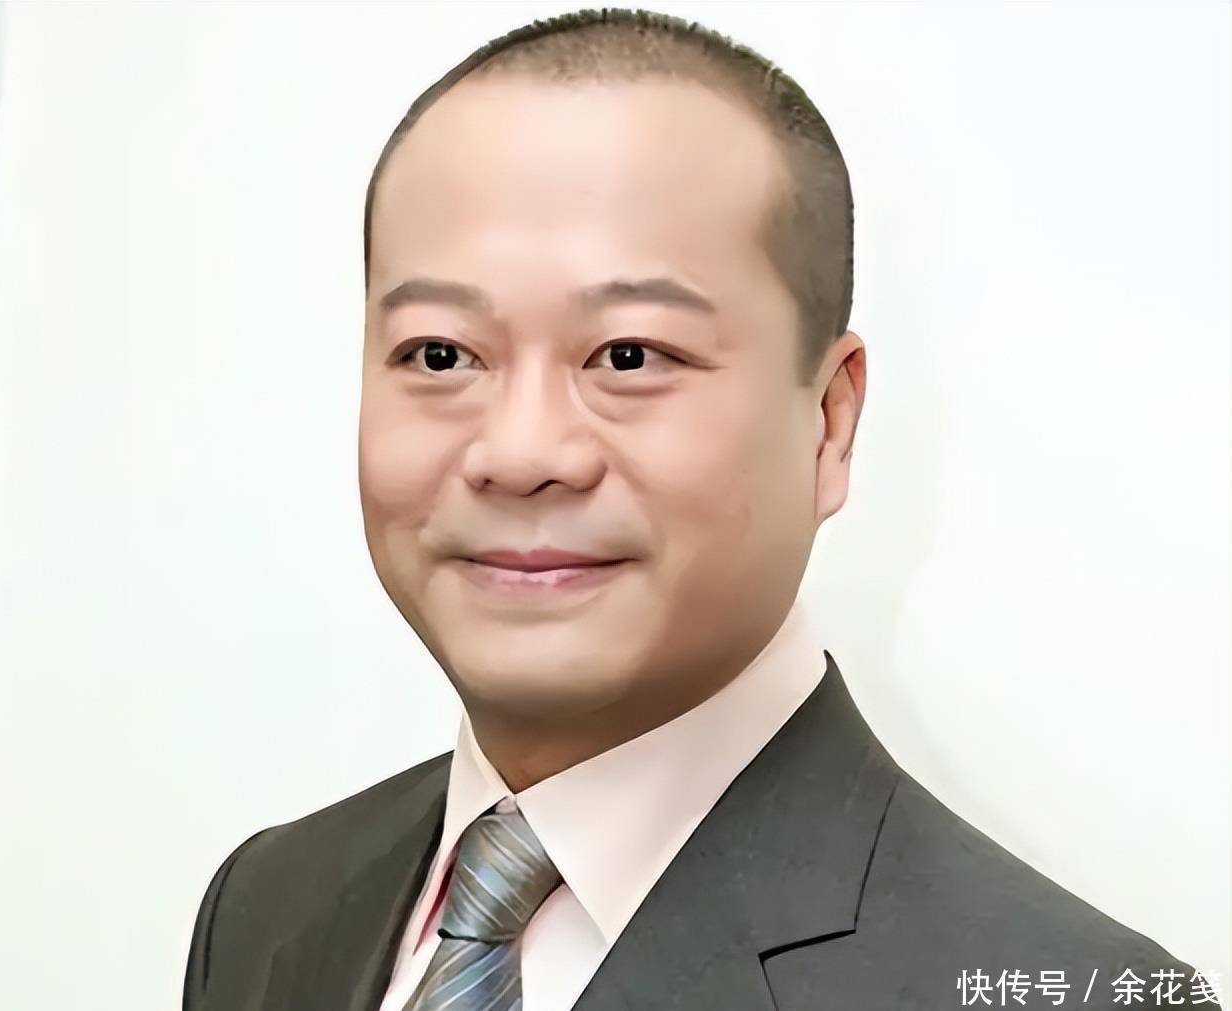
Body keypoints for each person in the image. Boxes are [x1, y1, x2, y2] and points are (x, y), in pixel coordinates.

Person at [182, 9, 1219, 1011]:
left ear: (828, 421)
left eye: (629, 355)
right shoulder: (270, 902)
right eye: (440, 355)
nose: (521, 454)